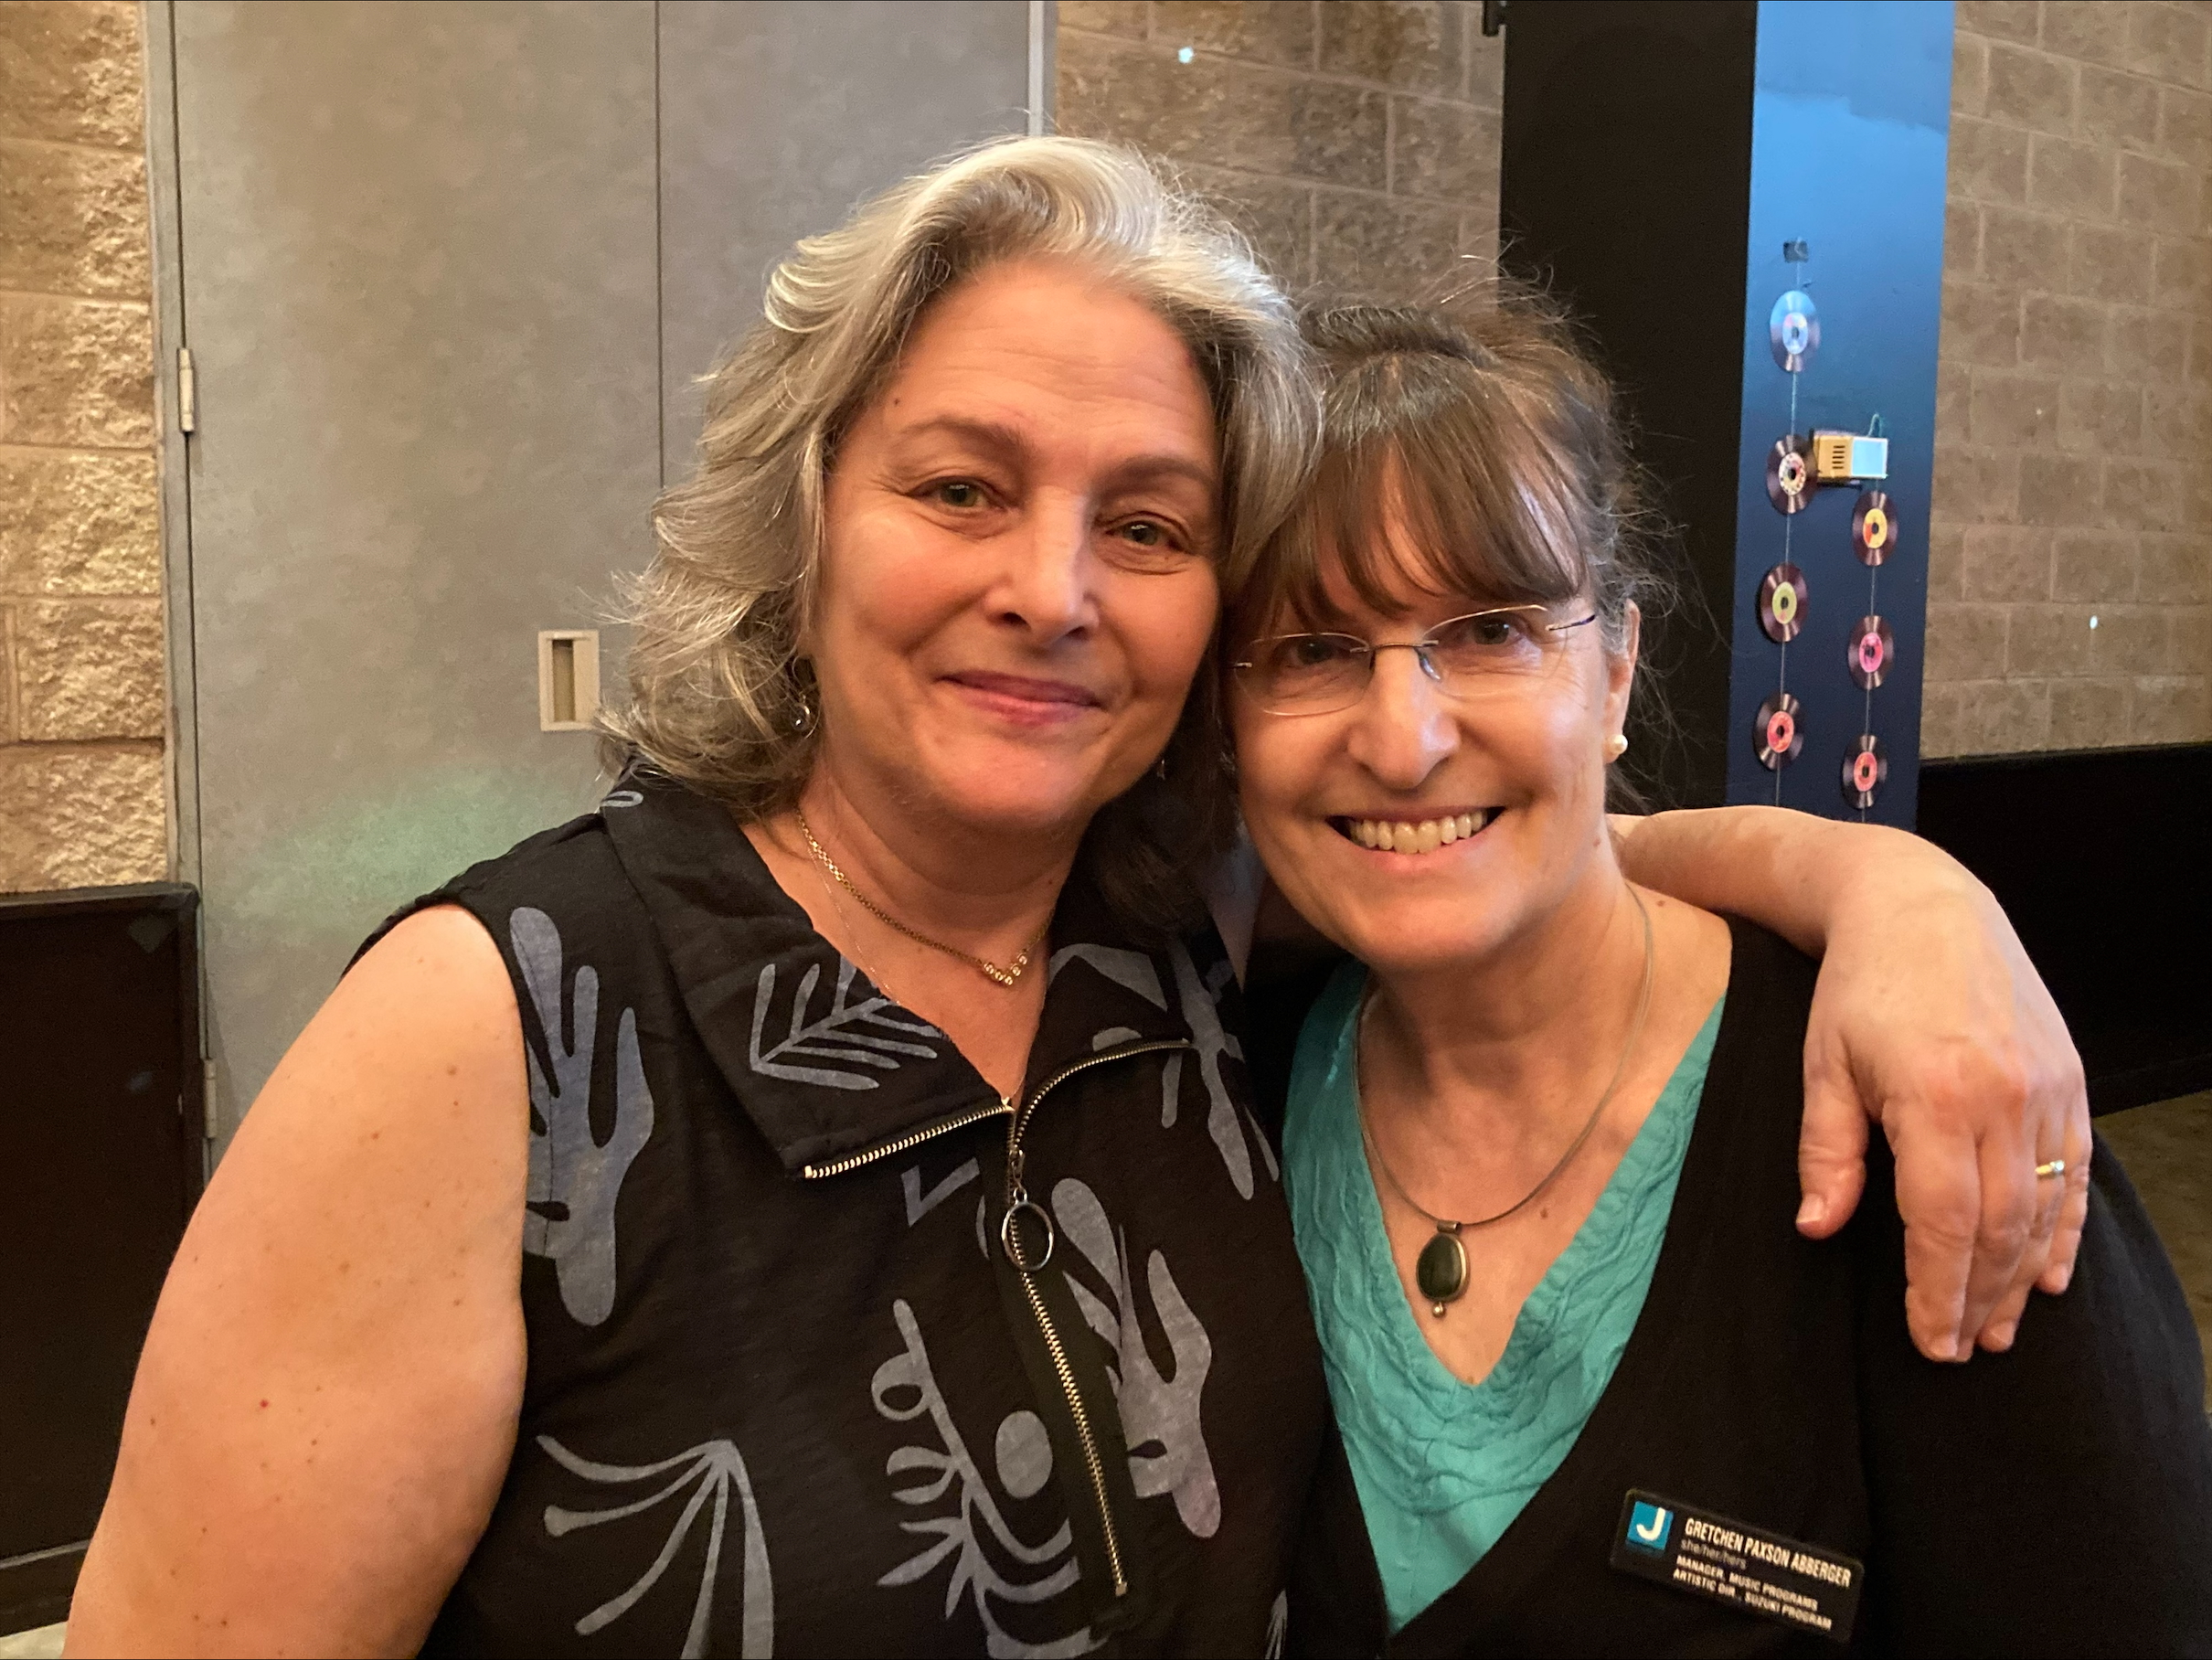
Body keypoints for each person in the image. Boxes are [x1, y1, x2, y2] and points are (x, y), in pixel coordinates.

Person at [70, 139, 2089, 1658]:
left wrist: (1892, 888)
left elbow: (1511, 849)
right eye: (961, 487)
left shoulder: (1181, 953)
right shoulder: (503, 1028)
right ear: (806, 517)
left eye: (1145, 520)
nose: (1051, 588)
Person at [1231, 301, 2212, 1655]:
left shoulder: (1912, 1112)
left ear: (1619, 669)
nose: (1404, 742)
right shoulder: (1228, 1079)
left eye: (1496, 630)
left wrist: (1903, 886)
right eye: (1312, 652)